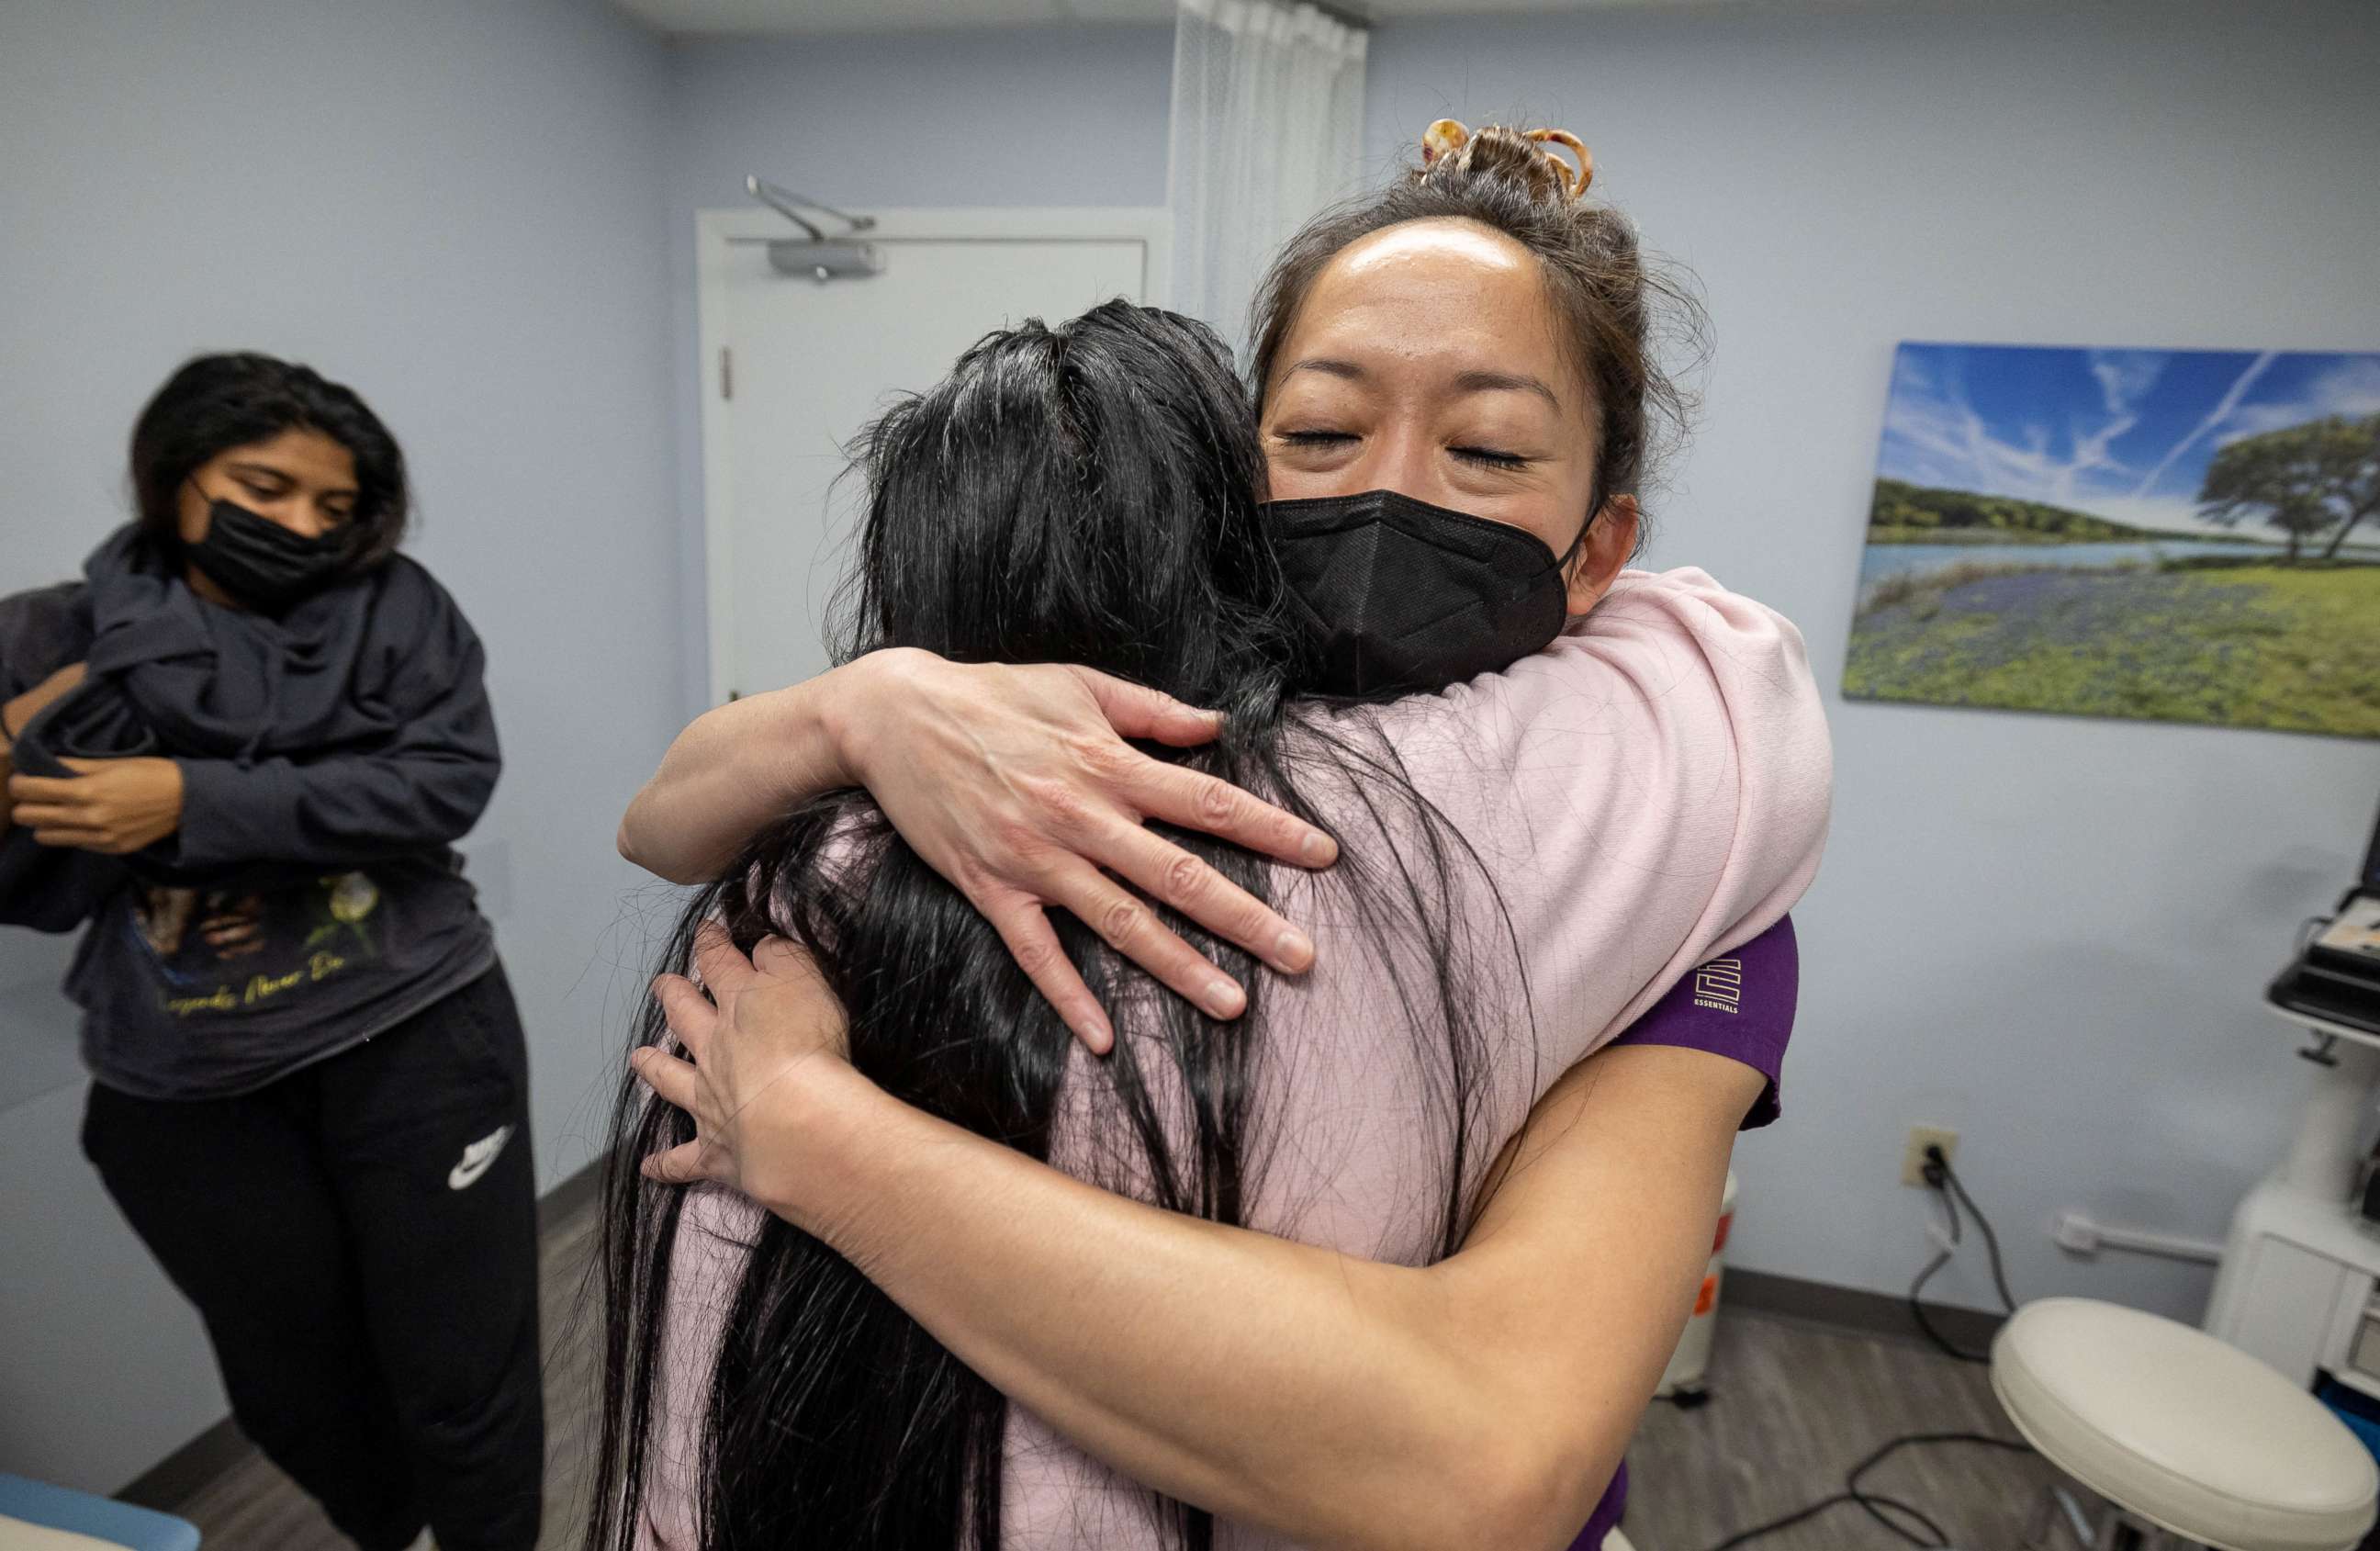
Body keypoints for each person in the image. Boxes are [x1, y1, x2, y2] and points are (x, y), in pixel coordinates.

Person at [606, 127, 1828, 1550]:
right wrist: (873, 703)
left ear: (1604, 547)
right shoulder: (1047, 742)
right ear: (1226, 478)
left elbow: (1499, 1446)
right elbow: (663, 816)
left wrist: (817, 1134)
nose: (1395, 490)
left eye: (1489, 447)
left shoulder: (1660, 849)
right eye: (1318, 433)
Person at [0, 354, 541, 1551]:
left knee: (464, 1372)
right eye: (265, 485)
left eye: (332, 505)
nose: (301, 523)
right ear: (175, 474)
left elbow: (444, 780)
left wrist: (192, 799)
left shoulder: (395, 609)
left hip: (415, 1032)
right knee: (291, 1382)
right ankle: (391, 1529)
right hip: (180, 1080)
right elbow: (23, 883)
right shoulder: (51, 637)